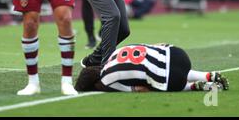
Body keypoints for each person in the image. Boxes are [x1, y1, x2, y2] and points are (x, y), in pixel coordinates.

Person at [75, 43, 230, 93]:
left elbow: (139, 89)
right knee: (166, 66)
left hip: (172, 79)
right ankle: (206, 76)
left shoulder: (107, 80)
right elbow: (153, 45)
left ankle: (193, 86)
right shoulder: (115, 53)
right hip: (177, 54)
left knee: (156, 80)